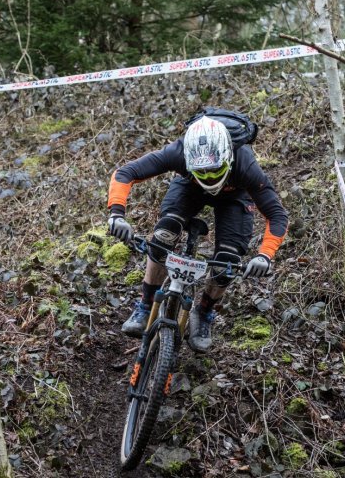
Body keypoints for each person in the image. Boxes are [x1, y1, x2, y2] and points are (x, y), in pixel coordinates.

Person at [106, 111, 288, 353]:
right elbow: (125, 173)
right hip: (188, 186)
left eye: (215, 170)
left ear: (228, 158)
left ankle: (204, 312)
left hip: (235, 196)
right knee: (163, 236)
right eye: (204, 172)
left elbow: (277, 215)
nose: (210, 177)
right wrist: (117, 215)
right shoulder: (179, 152)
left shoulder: (245, 165)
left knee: (227, 262)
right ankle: (145, 304)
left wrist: (264, 255)